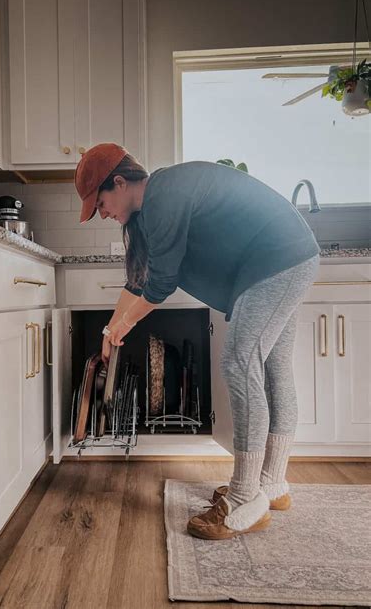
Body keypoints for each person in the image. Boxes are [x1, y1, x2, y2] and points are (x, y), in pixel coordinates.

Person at [74, 142, 320, 541]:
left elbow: (160, 286)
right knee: (273, 372)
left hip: (277, 260)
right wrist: (110, 329)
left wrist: (122, 328)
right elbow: (138, 281)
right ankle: (271, 485)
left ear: (119, 182)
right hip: (281, 258)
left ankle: (244, 497)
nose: (101, 213)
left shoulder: (163, 194)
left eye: (99, 203)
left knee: (239, 365)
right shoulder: (150, 210)